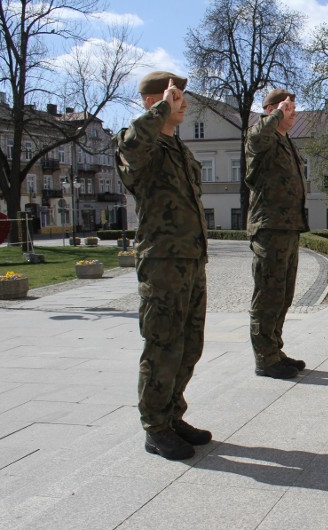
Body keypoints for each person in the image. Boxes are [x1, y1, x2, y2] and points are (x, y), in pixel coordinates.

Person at [113, 71, 212, 460]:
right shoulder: (136, 142)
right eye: (176, 97)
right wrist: (158, 111)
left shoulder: (180, 149)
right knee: (162, 343)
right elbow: (134, 149)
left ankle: (172, 415)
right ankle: (155, 427)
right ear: (155, 101)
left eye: (181, 97)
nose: (184, 103)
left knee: (189, 344)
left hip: (190, 259)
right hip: (162, 262)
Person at [245, 88, 310, 379]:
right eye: (287, 108)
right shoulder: (261, 136)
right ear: (271, 110)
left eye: (294, 108)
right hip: (269, 228)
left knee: (283, 295)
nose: (293, 113)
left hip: (288, 227)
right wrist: (274, 117)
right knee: (268, 294)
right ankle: (264, 359)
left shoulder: (285, 141)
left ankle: (274, 350)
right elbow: (258, 139)